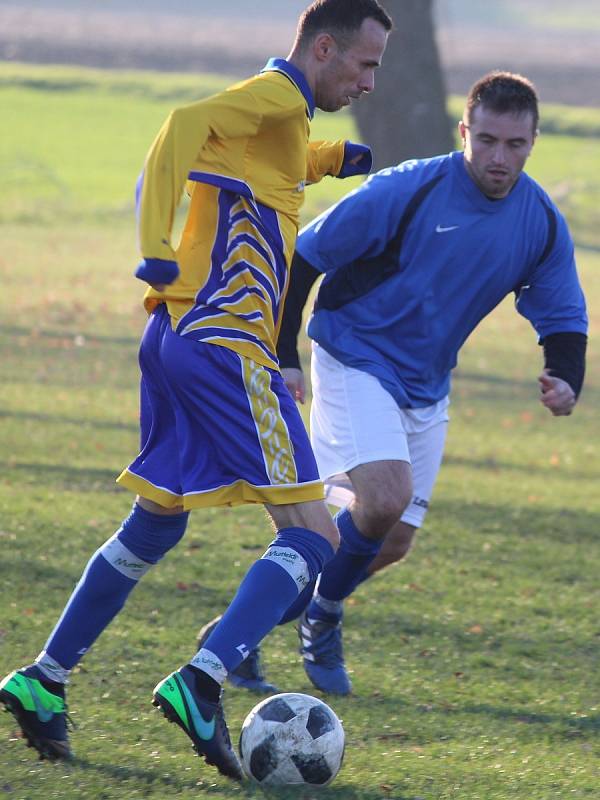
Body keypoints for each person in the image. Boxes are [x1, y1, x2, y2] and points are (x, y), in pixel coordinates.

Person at [0, 0, 392, 780]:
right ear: (323, 49)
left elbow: (261, 167)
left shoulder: (278, 117)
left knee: (155, 524)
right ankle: (204, 676)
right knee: (313, 538)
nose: (371, 80)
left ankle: (43, 679)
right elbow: (180, 125)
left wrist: (330, 161)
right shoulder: (278, 95)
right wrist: (152, 248)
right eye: (365, 63)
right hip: (226, 348)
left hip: (174, 339)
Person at [205, 70, 588, 697]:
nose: (499, 157)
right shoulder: (408, 190)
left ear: (534, 142)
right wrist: (285, 352)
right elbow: (302, 258)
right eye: (486, 140)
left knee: (389, 540)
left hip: (426, 383)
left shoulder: (539, 221)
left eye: (515, 145)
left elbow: (564, 315)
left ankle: (235, 634)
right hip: (354, 354)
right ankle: (323, 616)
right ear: (465, 131)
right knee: (382, 500)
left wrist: (565, 376)